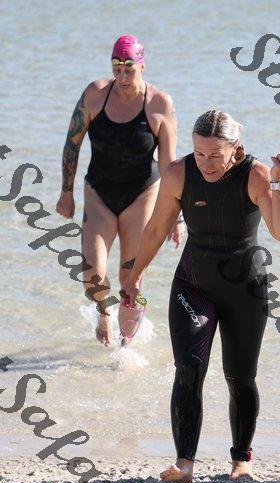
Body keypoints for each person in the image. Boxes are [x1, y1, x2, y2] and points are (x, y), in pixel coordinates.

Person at [124, 109, 280, 483]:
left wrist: (279, 183)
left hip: (245, 290)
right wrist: (135, 275)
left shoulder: (256, 175)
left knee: (240, 377)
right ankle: (184, 464)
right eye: (200, 153)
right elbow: (156, 229)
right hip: (193, 285)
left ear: (234, 148)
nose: (206, 163)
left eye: (215, 155)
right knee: (188, 369)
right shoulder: (179, 174)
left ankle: (241, 461)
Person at [56, 34, 184, 346]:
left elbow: (169, 166)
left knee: (131, 281)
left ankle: (126, 347)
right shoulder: (95, 95)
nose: (123, 77)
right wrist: (66, 192)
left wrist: (175, 216)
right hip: (99, 193)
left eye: (130, 69)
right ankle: (104, 313)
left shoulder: (159, 104)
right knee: (92, 276)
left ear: (143, 65)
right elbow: (72, 143)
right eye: (117, 69)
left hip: (141, 196)